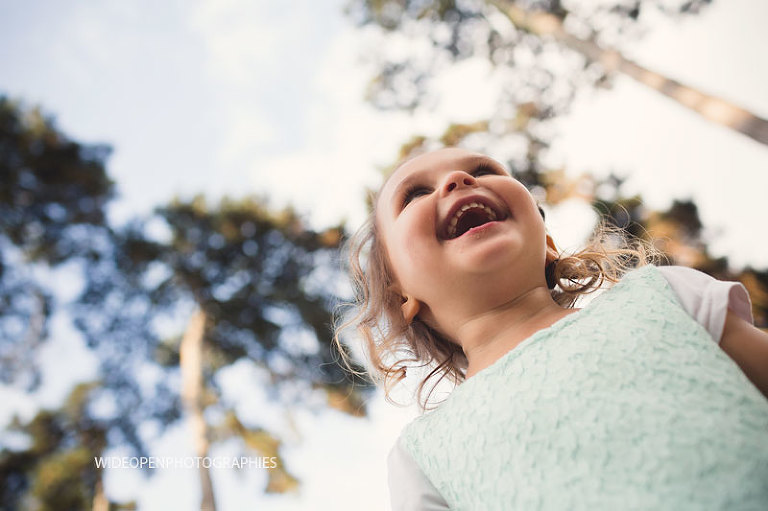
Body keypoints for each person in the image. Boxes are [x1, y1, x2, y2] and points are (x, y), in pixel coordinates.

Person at [334, 147, 768, 510]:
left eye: (484, 170)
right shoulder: (423, 455)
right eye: (414, 194)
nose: (459, 178)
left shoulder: (662, 297)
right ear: (400, 295)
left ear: (547, 241)